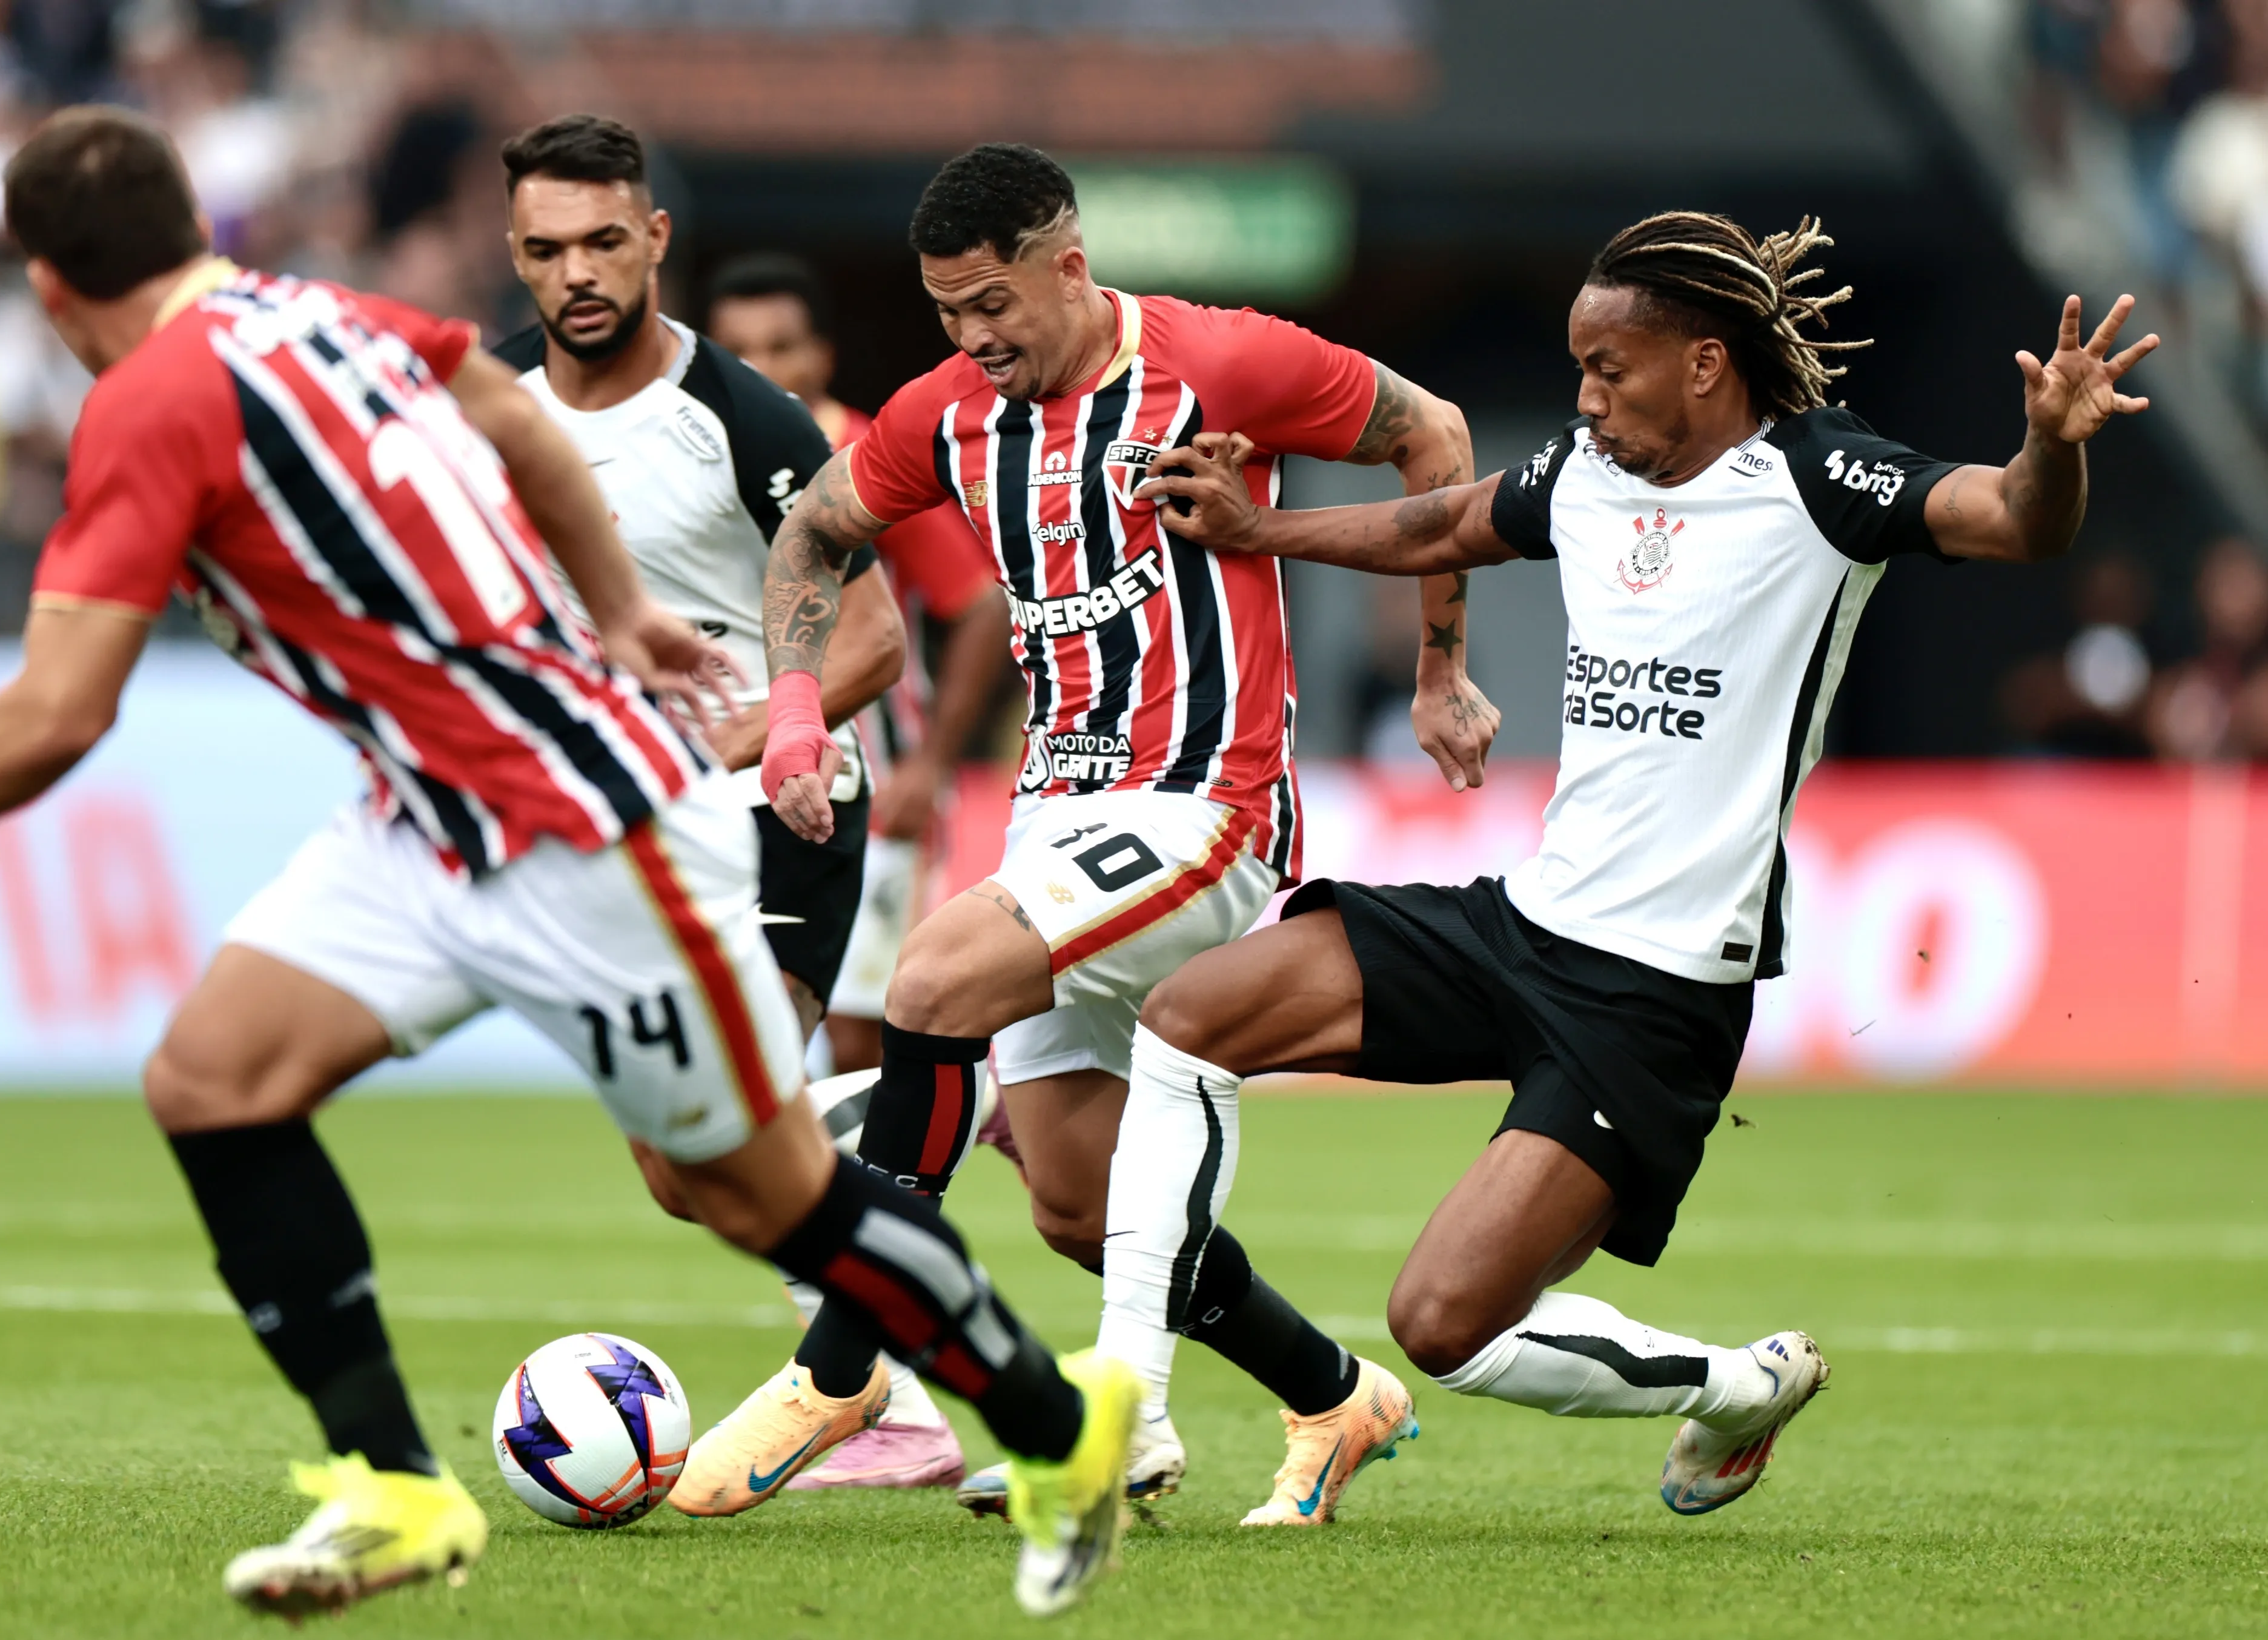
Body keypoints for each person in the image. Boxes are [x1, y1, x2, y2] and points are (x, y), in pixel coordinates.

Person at [0, 107, 1142, 1620]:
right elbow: (499, 408)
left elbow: (63, 706)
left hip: (569, 827)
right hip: (417, 819)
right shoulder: (318, 307)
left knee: (754, 1188)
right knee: (212, 1079)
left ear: (49, 290)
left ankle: (1055, 1423)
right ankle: (393, 1484)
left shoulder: (142, 407)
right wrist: (622, 608)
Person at [1109, 212, 2158, 1516]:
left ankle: (1734, 1384)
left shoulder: (1823, 480)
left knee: (1440, 1320)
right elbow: (1442, 521)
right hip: (1521, 919)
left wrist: (2046, 447)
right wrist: (1262, 531)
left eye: (1610, 368)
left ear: (1704, 364)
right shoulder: (1581, 473)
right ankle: (1126, 1405)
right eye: (1578, 369)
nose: (1585, 397)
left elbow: (2013, 521)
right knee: (1188, 1015)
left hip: (1650, 995)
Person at [715, 141, 1497, 1528]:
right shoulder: (947, 413)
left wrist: (1436, 663)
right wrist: (791, 707)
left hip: (1210, 801)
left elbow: (1430, 432)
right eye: (944, 311)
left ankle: (842, 1362)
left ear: (1065, 267)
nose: (969, 339)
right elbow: (811, 536)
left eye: (989, 305)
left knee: (929, 981)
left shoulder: (1221, 360)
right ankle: (1331, 1391)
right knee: (1076, 1202)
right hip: (1056, 818)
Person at [486, 118, 904, 1050]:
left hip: (773, 805)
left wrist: (719, 747)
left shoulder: (751, 420)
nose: (578, 274)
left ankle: (915, 1114)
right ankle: (956, 1100)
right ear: (516, 255)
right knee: (679, 1167)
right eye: (547, 251)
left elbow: (874, 640)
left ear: (657, 239)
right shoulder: (484, 406)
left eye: (605, 242)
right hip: (617, 820)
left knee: (741, 1109)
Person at [706, 251, 1016, 1493]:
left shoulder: (869, 455)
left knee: (821, 1091)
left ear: (819, 354)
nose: (766, 372)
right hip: (734, 809)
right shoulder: (697, 450)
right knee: (821, 1099)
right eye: (743, 352)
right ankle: (981, 1122)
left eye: (784, 348)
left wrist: (933, 762)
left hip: (856, 814)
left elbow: (974, 602)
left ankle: (883, 1393)